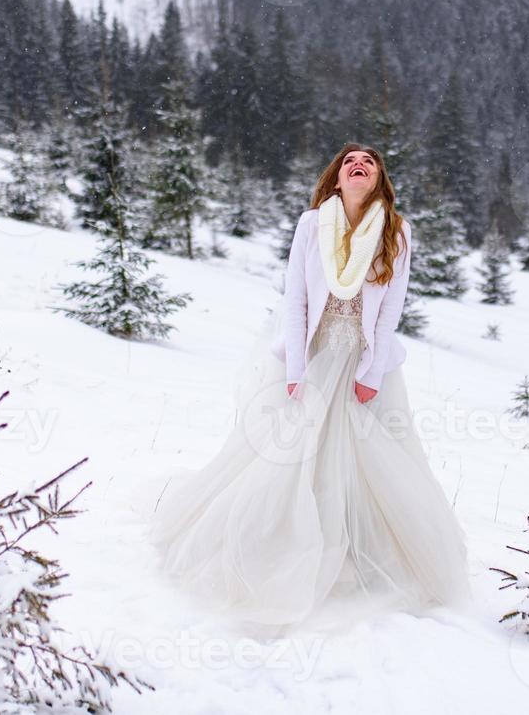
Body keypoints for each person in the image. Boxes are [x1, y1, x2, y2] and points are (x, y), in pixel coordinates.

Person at [149, 143, 471, 631]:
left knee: (370, 461)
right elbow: (295, 298)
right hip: (313, 355)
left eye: (369, 160)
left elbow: (390, 312)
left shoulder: (395, 232)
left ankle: (361, 553)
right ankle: (281, 545)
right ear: (337, 178)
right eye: (348, 161)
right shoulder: (312, 224)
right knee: (288, 456)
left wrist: (371, 372)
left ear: (379, 178)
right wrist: (297, 369)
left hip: (364, 362)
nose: (358, 164)